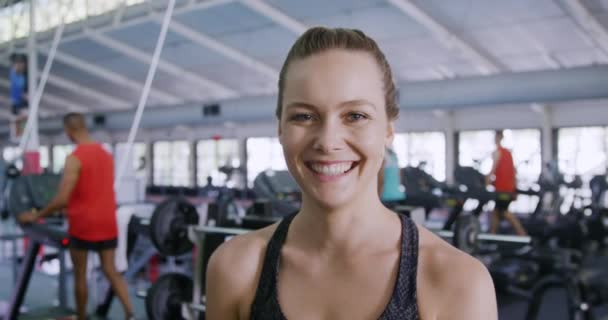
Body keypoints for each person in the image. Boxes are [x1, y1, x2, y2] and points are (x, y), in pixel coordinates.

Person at [206, 27, 496, 320]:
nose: (328, 142)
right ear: (281, 129)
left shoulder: (458, 283)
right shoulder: (236, 268)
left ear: (388, 131)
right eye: (304, 116)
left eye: (355, 116)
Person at [18, 113, 135, 320]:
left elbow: (63, 198)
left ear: (69, 130)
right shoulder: (106, 155)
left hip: (84, 224)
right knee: (110, 270)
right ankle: (130, 313)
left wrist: (37, 216)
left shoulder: (75, 158)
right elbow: (93, 190)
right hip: (107, 221)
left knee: (80, 274)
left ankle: (81, 317)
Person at [486, 130, 527, 236]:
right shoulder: (508, 152)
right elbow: (514, 171)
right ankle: (493, 234)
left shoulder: (498, 152)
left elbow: (493, 170)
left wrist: (487, 181)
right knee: (496, 211)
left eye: (496, 137)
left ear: (499, 138)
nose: (495, 139)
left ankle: (523, 234)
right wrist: (515, 188)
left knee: (504, 212)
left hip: (503, 189)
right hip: (506, 188)